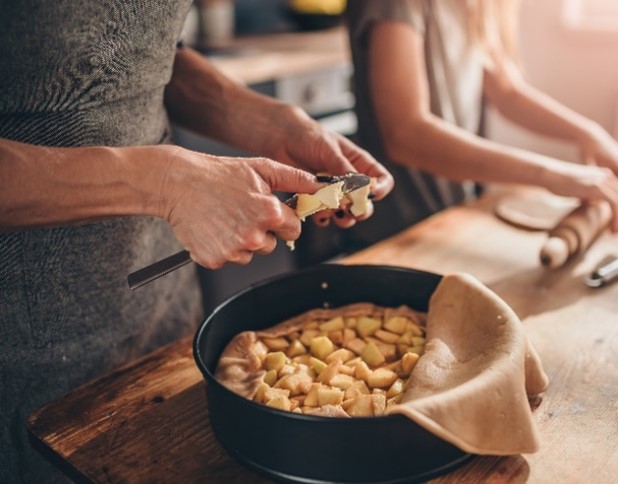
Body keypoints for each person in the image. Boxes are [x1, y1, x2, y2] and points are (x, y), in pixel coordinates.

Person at [0, 1, 392, 482]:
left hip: (159, 304)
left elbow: (143, 56)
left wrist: (275, 124)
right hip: (20, 348)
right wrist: (162, 182)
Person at [345, 0, 618, 246]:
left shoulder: (477, 5)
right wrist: (554, 174)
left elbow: (507, 92)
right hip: (393, 233)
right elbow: (406, 134)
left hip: (448, 222)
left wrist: (589, 135)